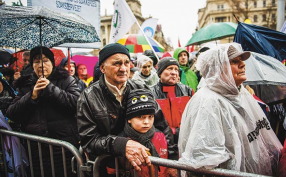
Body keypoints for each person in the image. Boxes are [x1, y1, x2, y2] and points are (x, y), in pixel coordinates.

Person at [178, 43, 282, 176]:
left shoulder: (240, 93)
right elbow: (205, 162)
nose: (243, 65)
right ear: (217, 69)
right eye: (234, 61)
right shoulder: (208, 102)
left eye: (241, 61)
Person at [77, 43, 175, 176]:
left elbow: (162, 124)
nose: (123, 68)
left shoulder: (141, 88)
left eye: (127, 63)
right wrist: (121, 145)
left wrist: (172, 161)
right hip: (109, 169)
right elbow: (89, 140)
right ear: (102, 68)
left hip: (142, 169)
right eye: (117, 63)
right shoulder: (88, 97)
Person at [6, 46, 80, 177]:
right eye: (36, 61)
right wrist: (31, 96)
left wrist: (51, 89)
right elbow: (12, 113)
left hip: (63, 146)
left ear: (52, 62)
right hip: (36, 148)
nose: (40, 65)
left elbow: (76, 104)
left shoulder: (66, 80)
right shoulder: (24, 85)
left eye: (45, 60)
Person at [106, 89, 168, 177]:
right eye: (140, 117)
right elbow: (112, 171)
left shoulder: (160, 136)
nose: (146, 122)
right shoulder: (121, 141)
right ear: (129, 119)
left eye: (150, 117)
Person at [150, 57, 193, 145]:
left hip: (186, 139)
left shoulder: (188, 91)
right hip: (161, 141)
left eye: (176, 69)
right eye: (170, 69)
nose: (174, 73)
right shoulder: (150, 93)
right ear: (160, 73)